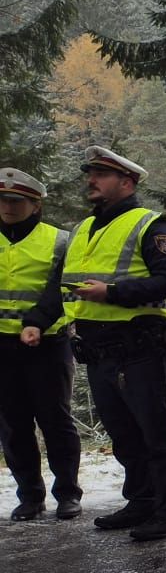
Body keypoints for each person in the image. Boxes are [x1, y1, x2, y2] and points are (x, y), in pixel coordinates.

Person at [66, 146, 166, 541]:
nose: (91, 181)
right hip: (99, 349)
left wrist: (114, 292)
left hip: (143, 347)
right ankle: (141, 501)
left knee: (159, 434)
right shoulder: (83, 229)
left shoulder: (151, 225)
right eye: (90, 174)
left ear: (126, 182)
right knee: (125, 435)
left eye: (100, 175)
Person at [0, 167, 83, 521]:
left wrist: (37, 323)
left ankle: (67, 493)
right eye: (3, 200)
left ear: (35, 205)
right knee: (13, 424)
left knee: (55, 420)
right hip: (2, 348)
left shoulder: (60, 241)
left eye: (17, 201)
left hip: (48, 343)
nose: (8, 206)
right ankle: (30, 496)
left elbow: (63, 289)